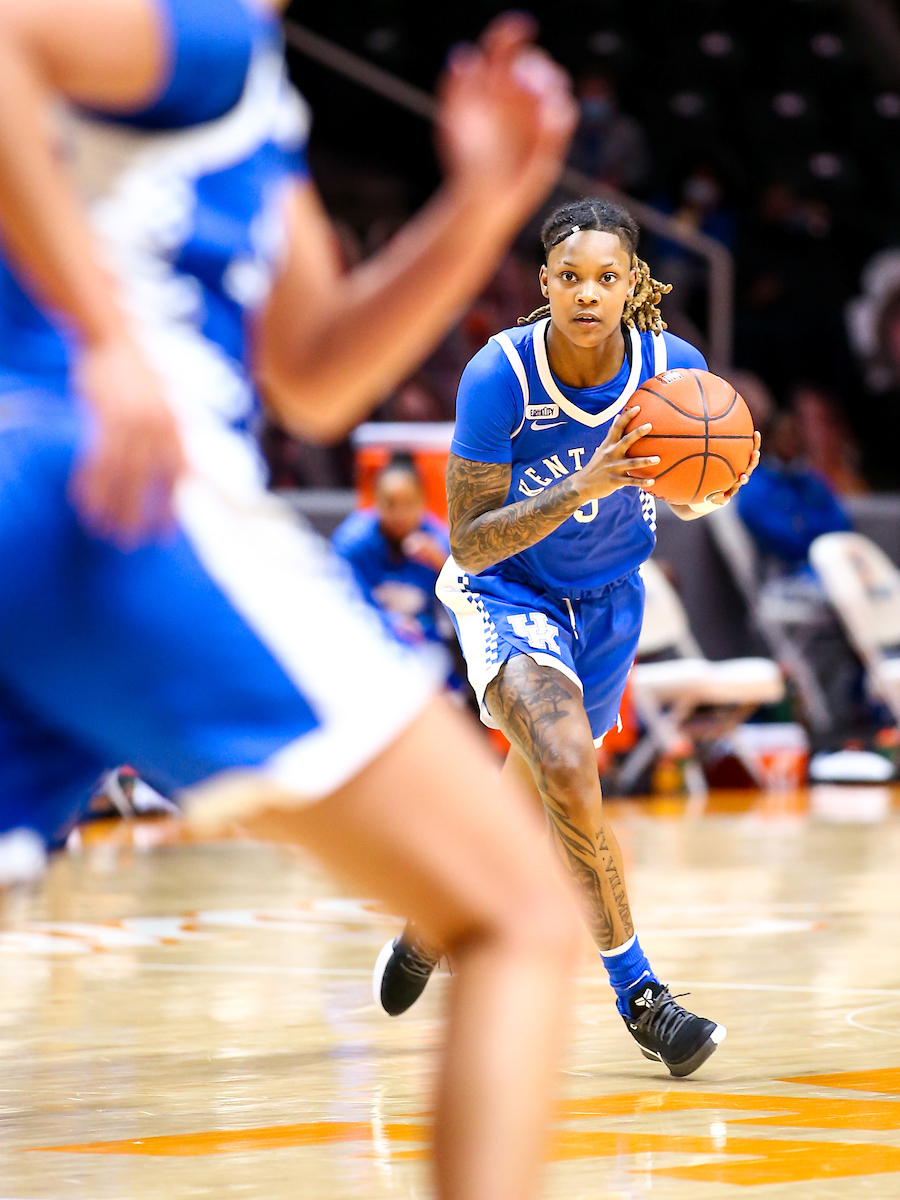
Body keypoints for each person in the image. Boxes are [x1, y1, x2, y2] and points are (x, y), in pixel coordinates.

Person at [0, 3, 585, 1198]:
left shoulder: (247, 99)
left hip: (42, 518)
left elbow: (315, 375)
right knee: (518, 915)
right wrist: (106, 337)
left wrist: (481, 205)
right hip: (114, 497)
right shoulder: (202, 20)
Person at [373, 196, 761, 1078]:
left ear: (632, 285)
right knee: (563, 760)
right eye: (571, 277)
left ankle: (434, 920)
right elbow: (471, 540)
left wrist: (714, 482)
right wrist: (585, 481)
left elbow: (688, 497)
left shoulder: (675, 371)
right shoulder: (499, 375)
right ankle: (643, 997)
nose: (589, 293)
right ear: (544, 283)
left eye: (607, 277)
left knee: (536, 793)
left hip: (610, 600)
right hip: (508, 590)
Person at [332, 453, 452, 651]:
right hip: (366, 643)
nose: (399, 514)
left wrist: (441, 564)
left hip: (429, 649)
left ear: (423, 501)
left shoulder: (440, 543)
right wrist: (390, 623)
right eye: (390, 503)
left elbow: (472, 606)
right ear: (375, 501)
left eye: (408, 503)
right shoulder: (351, 543)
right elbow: (342, 602)